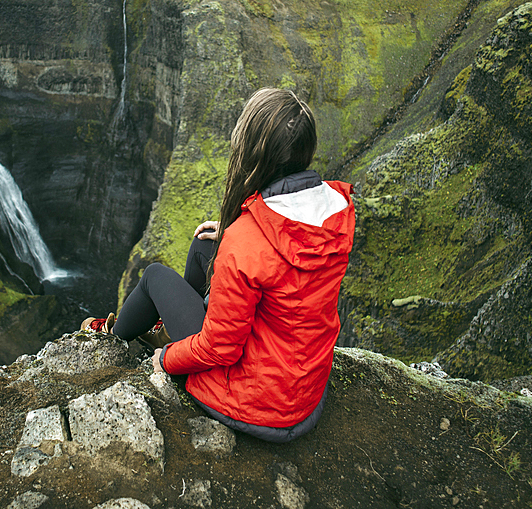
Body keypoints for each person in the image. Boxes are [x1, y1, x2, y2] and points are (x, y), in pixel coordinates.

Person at [82, 87, 355, 443]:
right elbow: (287, 269)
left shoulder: (247, 241)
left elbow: (220, 348)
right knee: (202, 245)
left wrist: (166, 359)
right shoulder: (336, 209)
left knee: (153, 277)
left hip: (253, 401)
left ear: (254, 155)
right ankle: (170, 325)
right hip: (302, 389)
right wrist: (229, 235)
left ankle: (112, 338)